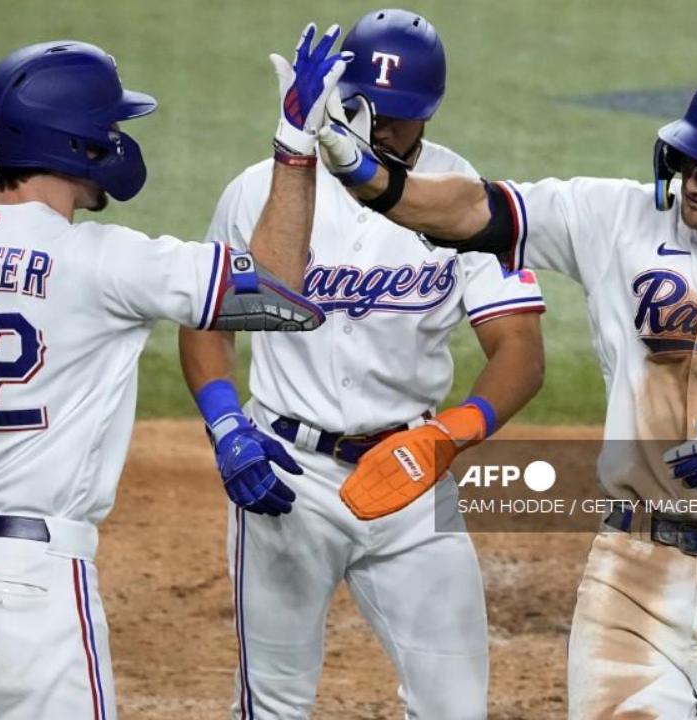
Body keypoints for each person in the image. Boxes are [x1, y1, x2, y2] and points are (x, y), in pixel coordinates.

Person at [321, 66, 697, 719]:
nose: (695, 182)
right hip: (632, 569)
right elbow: (473, 208)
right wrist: (366, 173)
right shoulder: (617, 218)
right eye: (689, 157)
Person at [0, 27, 348, 719]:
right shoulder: (104, 261)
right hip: (31, 595)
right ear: (77, 142)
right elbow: (278, 294)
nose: (117, 138)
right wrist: (294, 146)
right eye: (109, 126)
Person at [179, 9, 546, 719]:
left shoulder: (464, 201)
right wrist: (227, 425)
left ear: (431, 111)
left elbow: (520, 351)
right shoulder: (263, 187)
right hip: (288, 473)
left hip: (413, 474)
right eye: (362, 109)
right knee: (274, 704)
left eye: (398, 117)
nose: (377, 128)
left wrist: (451, 433)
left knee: (455, 706)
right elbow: (207, 325)